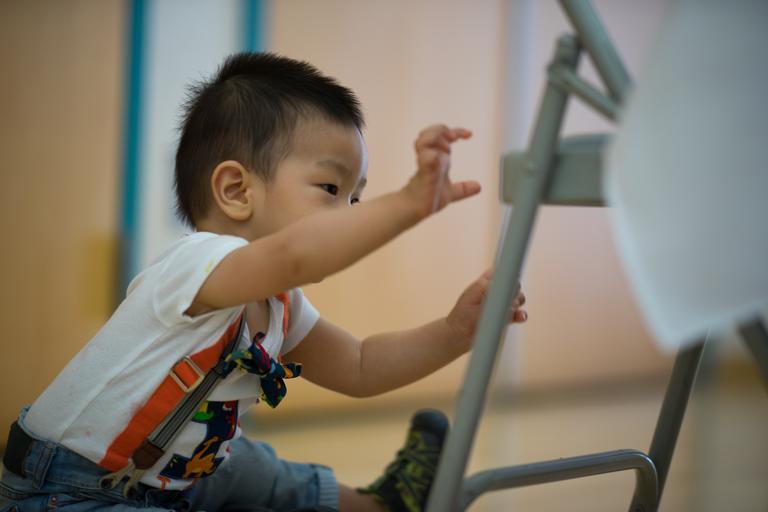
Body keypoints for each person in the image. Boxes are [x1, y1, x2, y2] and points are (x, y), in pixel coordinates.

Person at [0, 52, 526, 512]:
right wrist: (408, 204)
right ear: (236, 190)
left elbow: (361, 365)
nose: (350, 214)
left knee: (249, 465)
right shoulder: (197, 263)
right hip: (65, 489)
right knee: (232, 464)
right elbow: (298, 256)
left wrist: (456, 331)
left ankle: (381, 505)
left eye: (357, 198)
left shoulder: (280, 305)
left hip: (167, 477)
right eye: (331, 188)